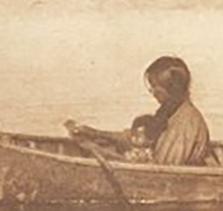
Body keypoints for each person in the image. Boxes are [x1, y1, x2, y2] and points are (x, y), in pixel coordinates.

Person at [66, 56, 213, 166]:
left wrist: (99, 151)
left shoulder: (185, 122)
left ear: (170, 90)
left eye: (154, 87)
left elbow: (160, 171)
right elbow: (139, 137)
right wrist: (94, 133)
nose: (152, 92)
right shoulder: (169, 111)